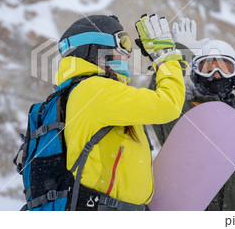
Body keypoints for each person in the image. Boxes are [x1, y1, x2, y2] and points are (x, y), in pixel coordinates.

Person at [56, 14, 185, 210]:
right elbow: (168, 104)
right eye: (122, 43)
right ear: (98, 50)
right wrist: (165, 56)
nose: (128, 54)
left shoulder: (84, 91)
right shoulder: (95, 90)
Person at [151, 17, 235, 211]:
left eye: (225, 68)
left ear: (234, 75)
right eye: (208, 67)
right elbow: (158, 98)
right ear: (195, 73)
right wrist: (178, 56)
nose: (216, 74)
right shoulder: (181, 112)